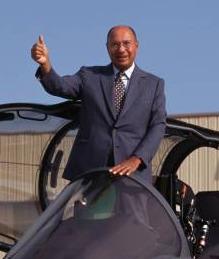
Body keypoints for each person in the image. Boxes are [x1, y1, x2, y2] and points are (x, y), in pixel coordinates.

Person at [30, 26, 166, 182]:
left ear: (136, 45)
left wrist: (136, 159)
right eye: (115, 44)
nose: (121, 49)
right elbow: (60, 86)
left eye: (126, 43)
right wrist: (45, 64)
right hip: (90, 173)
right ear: (107, 48)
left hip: (133, 176)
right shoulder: (89, 76)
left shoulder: (154, 84)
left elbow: (158, 126)